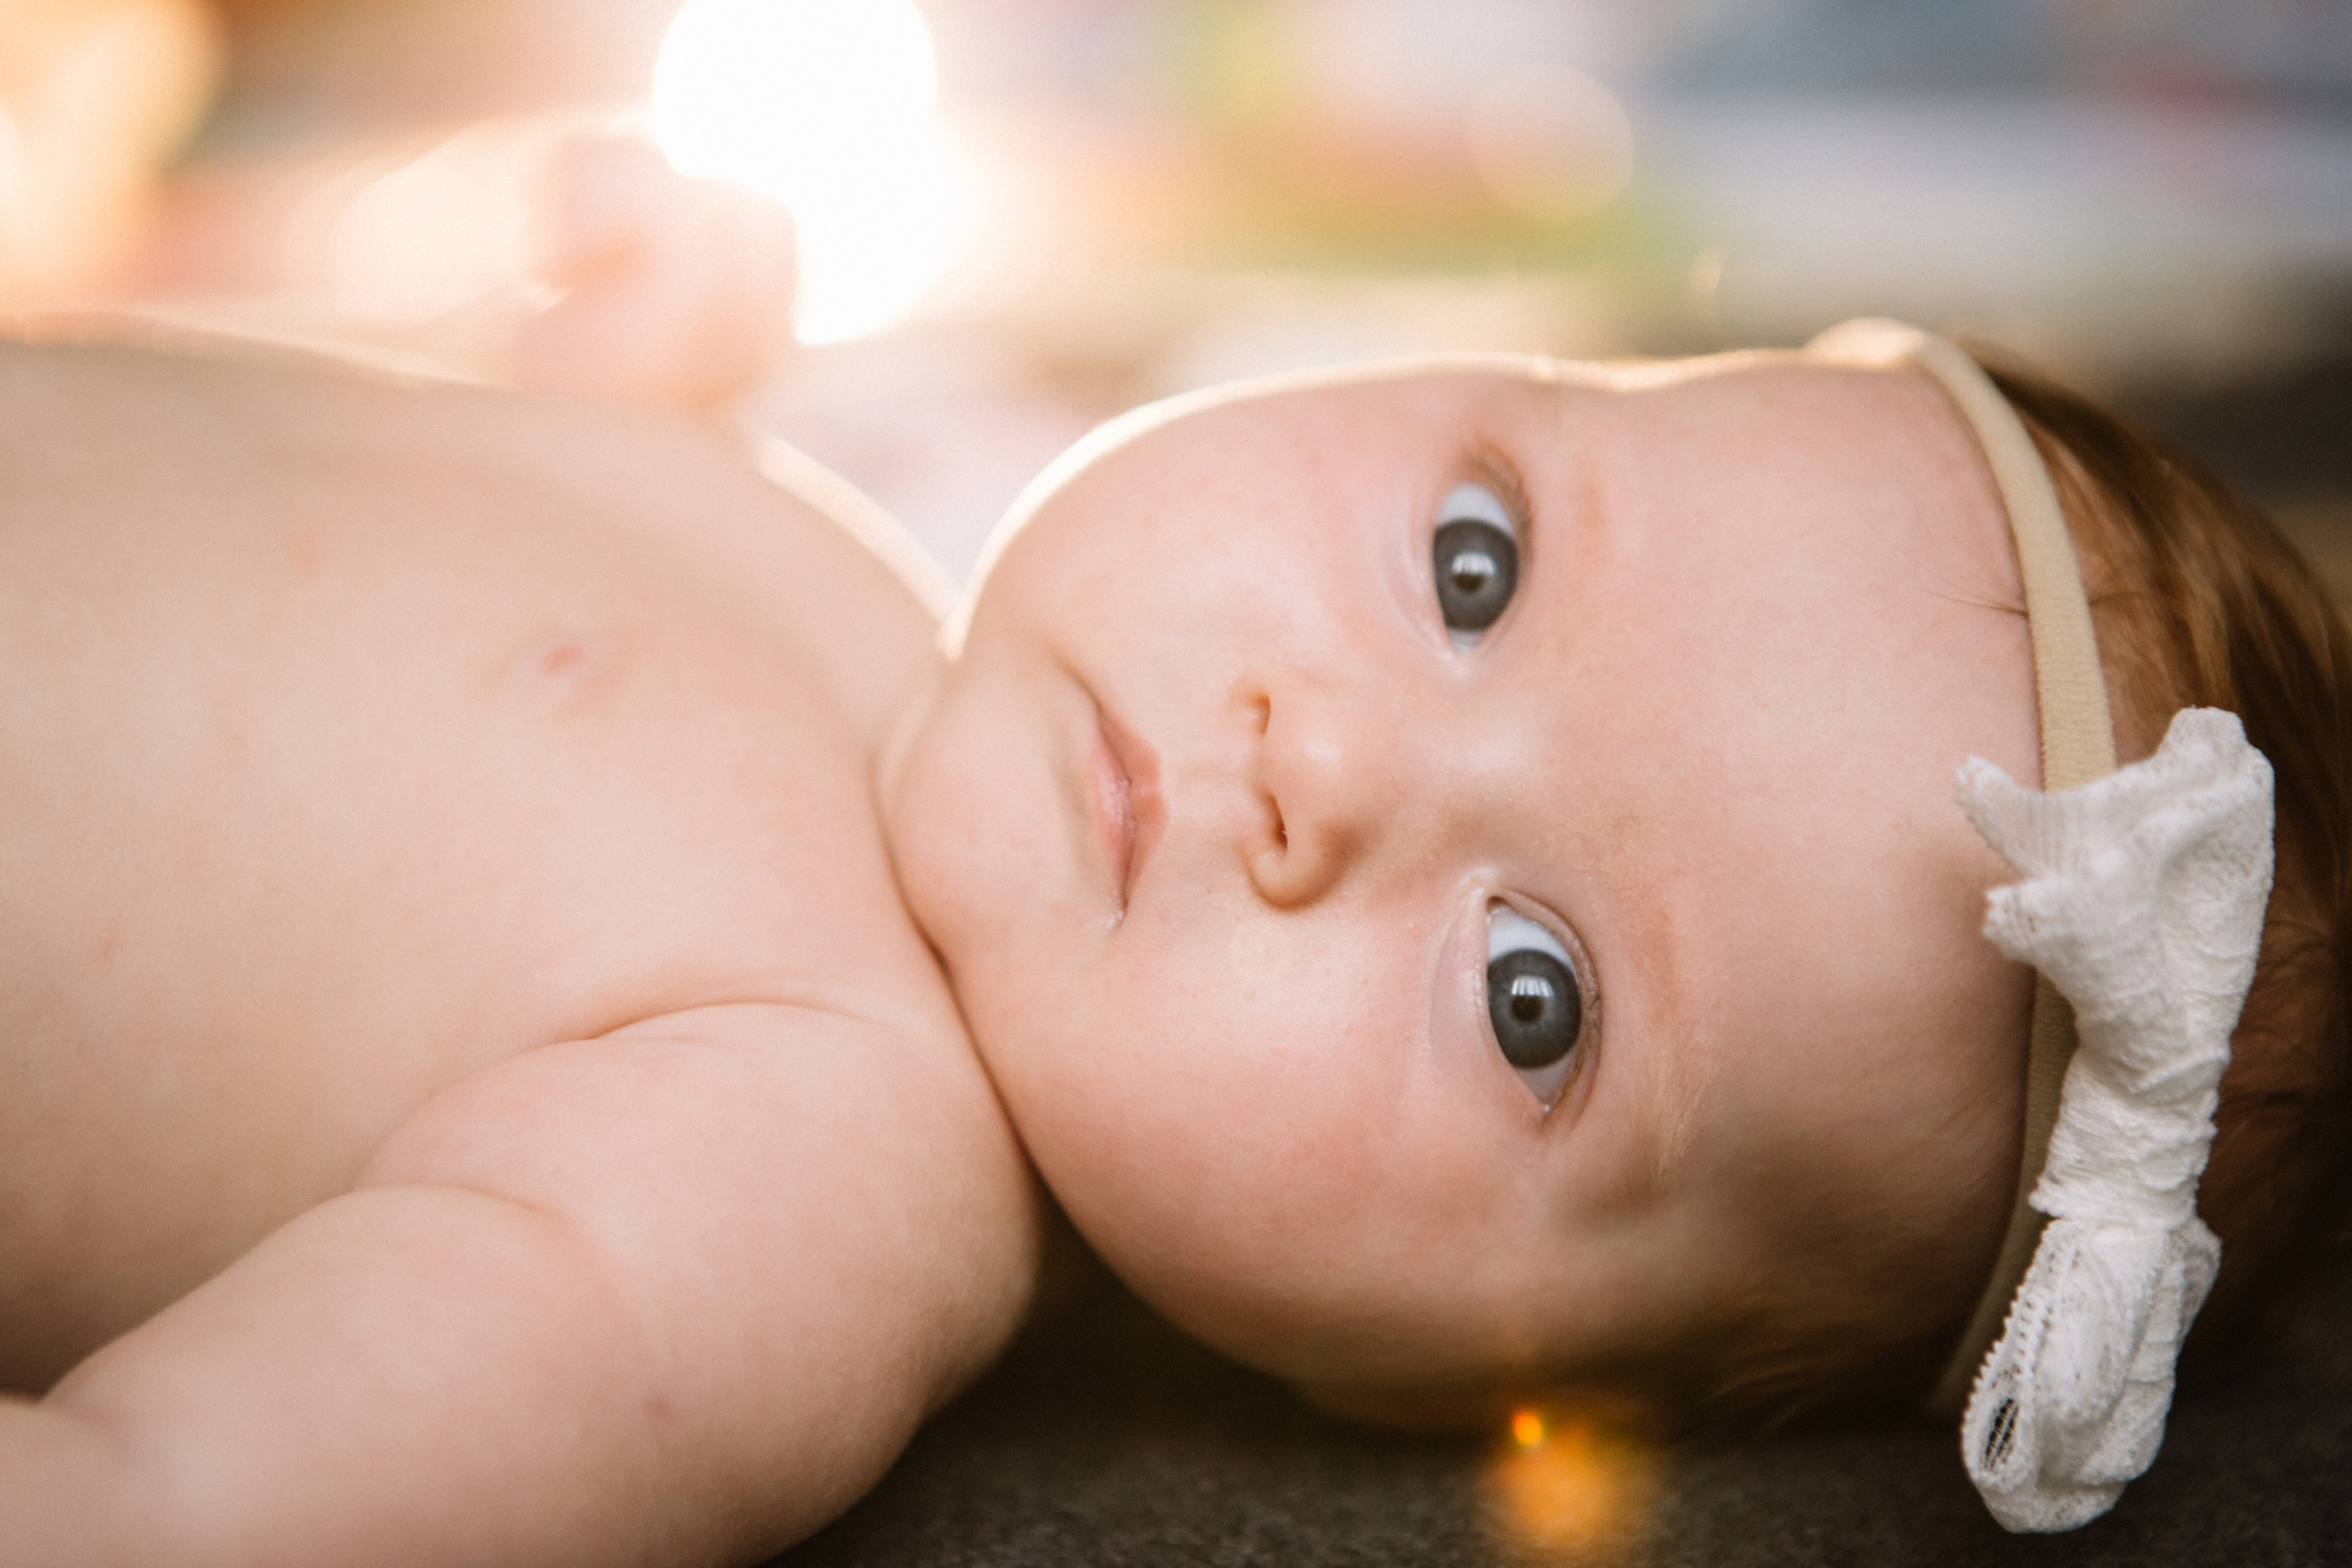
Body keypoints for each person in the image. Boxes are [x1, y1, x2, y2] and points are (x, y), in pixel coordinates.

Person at [4, 151, 2345, 1559]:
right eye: (1468, 564)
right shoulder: (878, 549)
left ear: (1447, 1384)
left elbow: (176, 1509)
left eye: (1530, 994)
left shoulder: (813, 1172)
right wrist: (620, 367)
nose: (1320, 757)